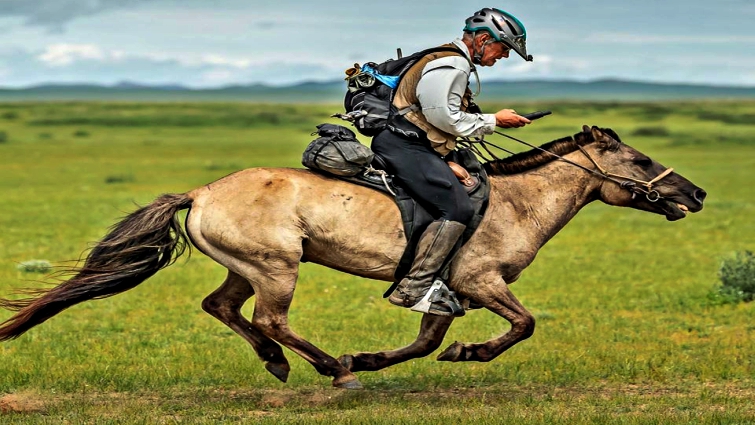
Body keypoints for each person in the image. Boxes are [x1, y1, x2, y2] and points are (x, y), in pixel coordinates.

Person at [374, 7, 534, 316]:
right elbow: (443, 117)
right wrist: (494, 120)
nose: (504, 56)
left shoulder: (450, 60)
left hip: (416, 145)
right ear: (484, 39)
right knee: (457, 207)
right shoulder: (453, 63)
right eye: (504, 48)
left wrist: (445, 158)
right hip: (405, 146)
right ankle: (414, 287)